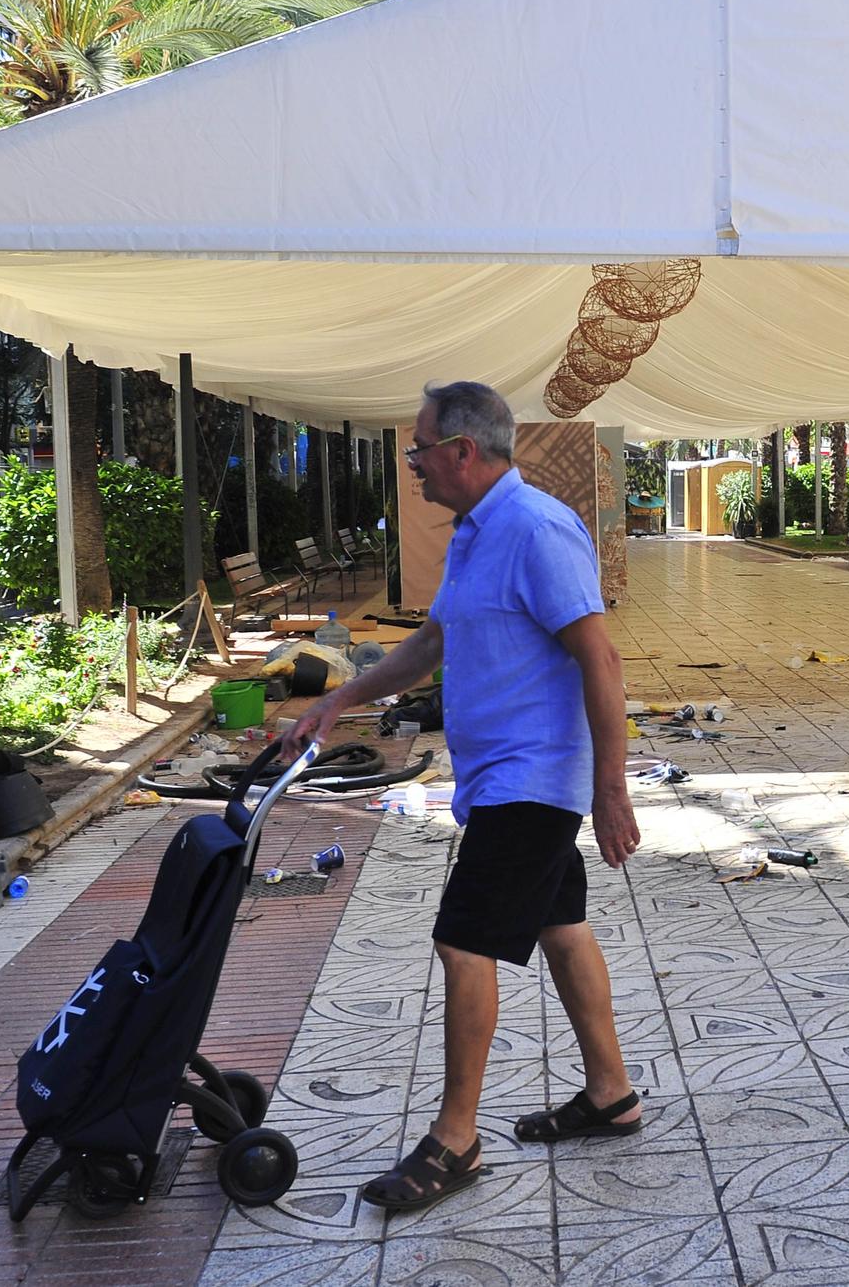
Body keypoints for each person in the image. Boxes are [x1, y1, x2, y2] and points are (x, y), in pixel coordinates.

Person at [282, 381, 643, 1214]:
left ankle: (456, 1139)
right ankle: (611, 1093)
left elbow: (602, 660)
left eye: (417, 452)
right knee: (560, 928)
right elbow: (432, 643)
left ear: (463, 452)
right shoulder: (476, 535)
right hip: (501, 779)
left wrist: (610, 789)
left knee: (461, 942)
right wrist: (340, 700)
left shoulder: (536, 529)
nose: (412, 466)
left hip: (533, 780)